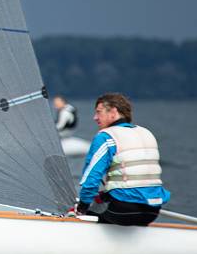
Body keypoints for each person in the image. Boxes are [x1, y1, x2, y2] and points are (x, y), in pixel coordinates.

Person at [72, 92, 170, 226]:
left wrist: (81, 209)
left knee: (88, 209)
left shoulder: (106, 137)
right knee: (105, 198)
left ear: (113, 112)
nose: (95, 117)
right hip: (152, 211)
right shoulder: (146, 133)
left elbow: (91, 179)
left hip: (124, 210)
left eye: (99, 112)